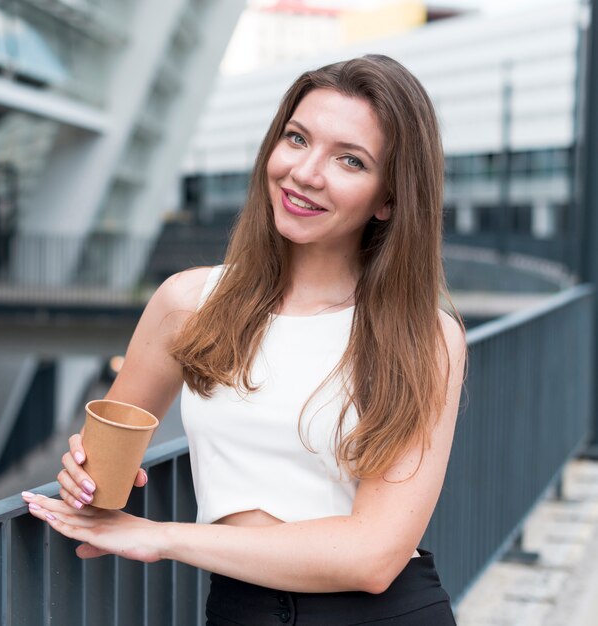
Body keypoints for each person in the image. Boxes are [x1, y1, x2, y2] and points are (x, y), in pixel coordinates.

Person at [23, 54, 466, 625]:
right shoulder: (188, 303)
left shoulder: (423, 336)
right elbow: (103, 459)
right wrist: (83, 476)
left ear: (389, 198)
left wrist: (163, 538)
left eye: (350, 160)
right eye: (297, 138)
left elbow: (372, 556)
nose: (306, 172)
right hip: (241, 611)